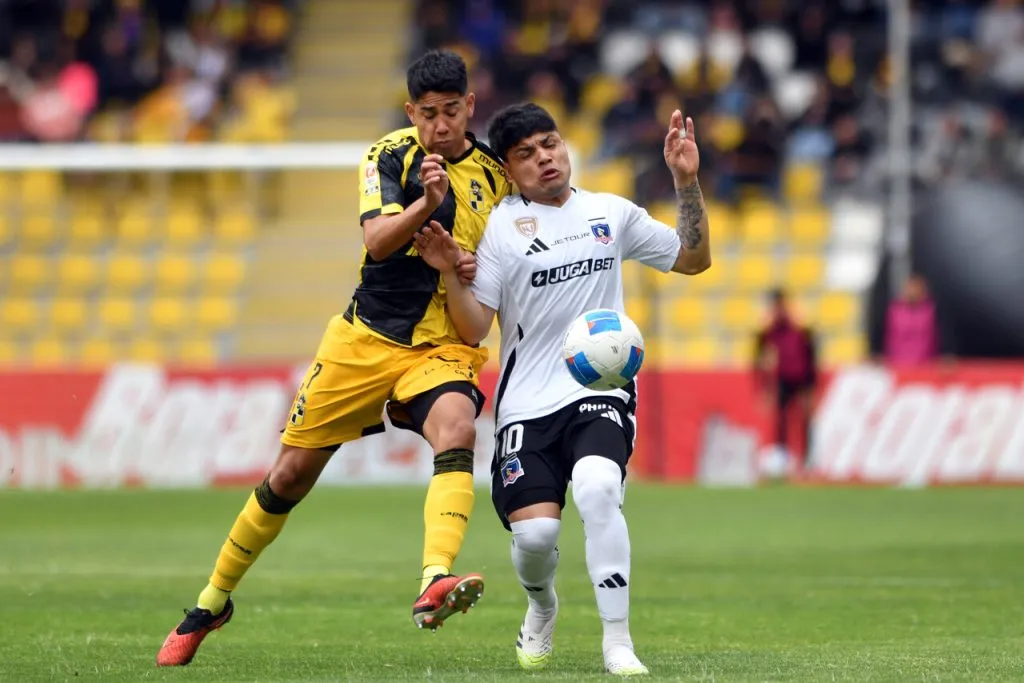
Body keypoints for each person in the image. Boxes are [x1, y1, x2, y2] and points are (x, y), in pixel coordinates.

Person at [156, 49, 512, 667]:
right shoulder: (387, 156)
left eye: (452, 112)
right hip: (364, 338)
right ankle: (212, 603)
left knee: (457, 427)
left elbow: (496, 271)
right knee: (289, 476)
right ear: (411, 112)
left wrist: (466, 268)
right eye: (428, 114)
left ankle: (434, 578)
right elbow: (376, 242)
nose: (440, 125)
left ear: (470, 106)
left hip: (442, 343)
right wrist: (426, 206)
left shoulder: (495, 179)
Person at [413, 103, 711, 675]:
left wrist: (686, 181)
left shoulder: (610, 213)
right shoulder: (500, 227)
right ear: (508, 166)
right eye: (526, 153)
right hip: (527, 401)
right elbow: (477, 325)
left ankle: (618, 641)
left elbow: (694, 259)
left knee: (599, 488)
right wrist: (451, 270)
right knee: (536, 536)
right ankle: (541, 607)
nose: (544, 158)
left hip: (599, 387)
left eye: (550, 144)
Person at [753, 289, 818, 473]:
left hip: (801, 376)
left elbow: (810, 350)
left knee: (805, 420)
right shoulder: (771, 328)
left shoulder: (798, 325)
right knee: (781, 420)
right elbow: (759, 350)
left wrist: (811, 383)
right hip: (783, 377)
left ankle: (808, 458)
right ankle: (782, 458)